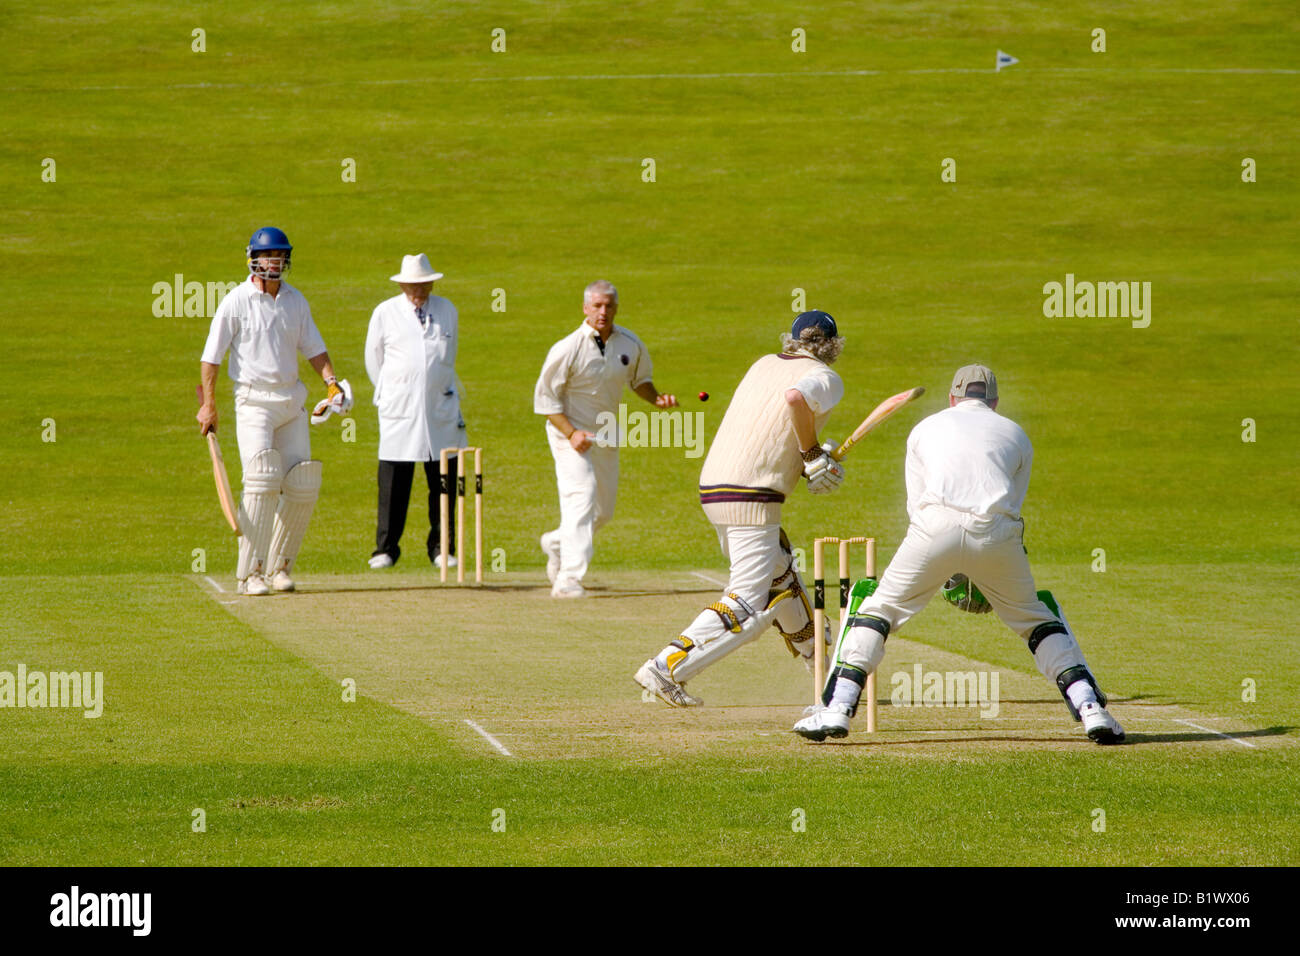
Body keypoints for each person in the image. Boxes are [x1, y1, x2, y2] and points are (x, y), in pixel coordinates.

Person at [794, 364, 1126, 744]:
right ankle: (1091, 710)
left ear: (953, 397)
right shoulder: (1016, 434)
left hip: (931, 528)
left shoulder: (926, 428)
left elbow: (916, 505)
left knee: (879, 609)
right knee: (1035, 619)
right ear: (995, 401)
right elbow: (1012, 507)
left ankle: (837, 709)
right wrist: (982, 567)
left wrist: (945, 563)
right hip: (998, 534)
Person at [634, 310, 847, 706]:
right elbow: (795, 398)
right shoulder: (826, 377)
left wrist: (811, 460)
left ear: (793, 339)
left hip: (716, 484)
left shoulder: (764, 363)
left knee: (779, 574)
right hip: (752, 492)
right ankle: (666, 667)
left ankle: (821, 663)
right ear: (833, 346)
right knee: (748, 599)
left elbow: (770, 430)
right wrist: (813, 452)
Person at [198, 227, 346, 595]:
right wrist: (209, 405)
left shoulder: (296, 301)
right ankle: (251, 573)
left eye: (280, 256)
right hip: (253, 402)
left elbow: (314, 349)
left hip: (291, 401)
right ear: (254, 258)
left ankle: (279, 567)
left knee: (302, 484)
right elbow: (211, 358)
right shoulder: (236, 301)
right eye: (268, 256)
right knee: (262, 480)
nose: (274, 262)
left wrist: (331, 381)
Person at [533, 280, 677, 598]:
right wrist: (572, 434)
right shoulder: (568, 348)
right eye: (597, 305)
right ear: (585, 308)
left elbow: (640, 381)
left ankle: (556, 543)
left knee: (603, 511)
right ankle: (569, 579)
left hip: (605, 433)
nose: (603, 311)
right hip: (566, 433)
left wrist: (657, 399)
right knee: (580, 497)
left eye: (609, 305)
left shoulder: (629, 344)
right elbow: (545, 401)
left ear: (616, 308)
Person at [364, 254, 465, 570]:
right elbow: (373, 358)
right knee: (394, 479)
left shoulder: (447, 310)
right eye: (412, 285)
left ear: (431, 282)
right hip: (400, 407)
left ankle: (441, 548)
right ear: (402, 284)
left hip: (441, 408)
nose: (418, 291)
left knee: (444, 479)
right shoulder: (385, 312)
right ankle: (385, 549)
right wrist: (391, 391)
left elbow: (448, 356)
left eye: (423, 284)